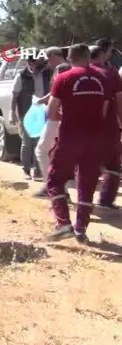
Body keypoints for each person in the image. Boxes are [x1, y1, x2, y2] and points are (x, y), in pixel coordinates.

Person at [46, 44, 111, 244]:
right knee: (87, 184)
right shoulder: (102, 78)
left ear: (70, 58)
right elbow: (103, 111)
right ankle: (81, 229)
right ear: (87, 57)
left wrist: (65, 116)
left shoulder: (63, 78)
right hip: (95, 139)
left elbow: (51, 112)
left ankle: (64, 224)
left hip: (70, 138)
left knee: (55, 180)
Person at [32, 47, 71, 198]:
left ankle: (51, 186)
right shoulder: (67, 69)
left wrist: (49, 110)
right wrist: (43, 100)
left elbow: (58, 94)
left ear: (54, 56)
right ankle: (61, 188)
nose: (47, 62)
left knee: (41, 151)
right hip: (64, 118)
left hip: (56, 118)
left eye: (48, 59)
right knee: (58, 155)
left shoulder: (61, 70)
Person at [90, 42, 122, 209]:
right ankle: (106, 199)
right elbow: (118, 101)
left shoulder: (76, 73)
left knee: (86, 162)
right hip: (108, 126)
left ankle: (84, 200)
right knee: (112, 163)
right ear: (104, 54)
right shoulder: (111, 74)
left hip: (82, 126)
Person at [10, 56, 52, 181]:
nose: (39, 67)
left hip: (43, 112)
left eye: (41, 65)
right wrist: (12, 112)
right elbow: (15, 95)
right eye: (37, 64)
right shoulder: (21, 76)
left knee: (40, 141)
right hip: (27, 112)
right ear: (30, 63)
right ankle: (26, 169)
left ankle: (37, 169)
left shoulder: (46, 74)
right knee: (27, 141)